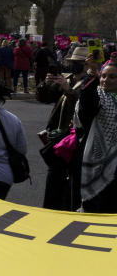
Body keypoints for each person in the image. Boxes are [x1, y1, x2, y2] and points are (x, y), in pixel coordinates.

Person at [36, 46, 94, 211]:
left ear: (86, 64)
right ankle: (51, 209)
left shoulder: (90, 83)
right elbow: (44, 98)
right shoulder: (68, 79)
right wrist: (46, 84)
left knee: (68, 181)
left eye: (77, 63)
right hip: (59, 137)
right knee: (54, 179)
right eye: (72, 62)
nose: (73, 65)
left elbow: (85, 106)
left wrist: (68, 90)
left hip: (74, 139)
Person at [74, 61, 117, 213]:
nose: (106, 80)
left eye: (112, 77)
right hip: (92, 159)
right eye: (103, 76)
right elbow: (87, 104)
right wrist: (92, 71)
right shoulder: (97, 96)